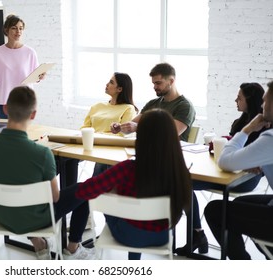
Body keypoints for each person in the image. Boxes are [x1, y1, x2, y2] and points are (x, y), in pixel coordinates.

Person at [0, 86, 95, 260]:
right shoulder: (42, 154)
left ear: (5, 108)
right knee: (85, 189)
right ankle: (73, 248)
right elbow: (54, 198)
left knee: (15, 185)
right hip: (36, 220)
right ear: (33, 114)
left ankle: (38, 242)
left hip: (3, 216)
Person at [76, 108, 192, 260]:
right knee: (136, 199)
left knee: (116, 193)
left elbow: (85, 191)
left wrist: (112, 193)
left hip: (128, 235)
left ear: (142, 136)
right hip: (162, 236)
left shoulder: (127, 168)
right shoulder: (180, 171)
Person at [175, 82, 267, 256]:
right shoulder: (240, 122)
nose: (235, 100)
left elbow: (237, 158)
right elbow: (230, 152)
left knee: (190, 188)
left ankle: (234, 256)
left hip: (243, 179)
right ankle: (197, 233)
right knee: (182, 182)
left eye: (239, 97)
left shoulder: (264, 131)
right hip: (225, 170)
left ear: (250, 100)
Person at [204, 80, 273, 260]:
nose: (262, 105)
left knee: (215, 210)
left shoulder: (270, 138)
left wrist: (248, 129)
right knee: (240, 205)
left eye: (265, 101)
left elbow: (225, 161)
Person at [62, 72, 138, 180]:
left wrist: (96, 136)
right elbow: (84, 128)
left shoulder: (128, 108)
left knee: (101, 164)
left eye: (111, 82)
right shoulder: (97, 106)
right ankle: (68, 193)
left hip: (108, 149)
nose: (107, 84)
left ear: (120, 89)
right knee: (65, 158)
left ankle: (91, 193)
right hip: (89, 144)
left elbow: (123, 135)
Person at [111, 62, 195, 142]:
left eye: (158, 83)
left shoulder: (185, 106)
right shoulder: (152, 104)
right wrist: (120, 127)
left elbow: (170, 133)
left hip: (169, 152)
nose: (155, 87)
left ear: (171, 81)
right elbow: (132, 125)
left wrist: (138, 128)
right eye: (154, 83)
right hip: (148, 149)